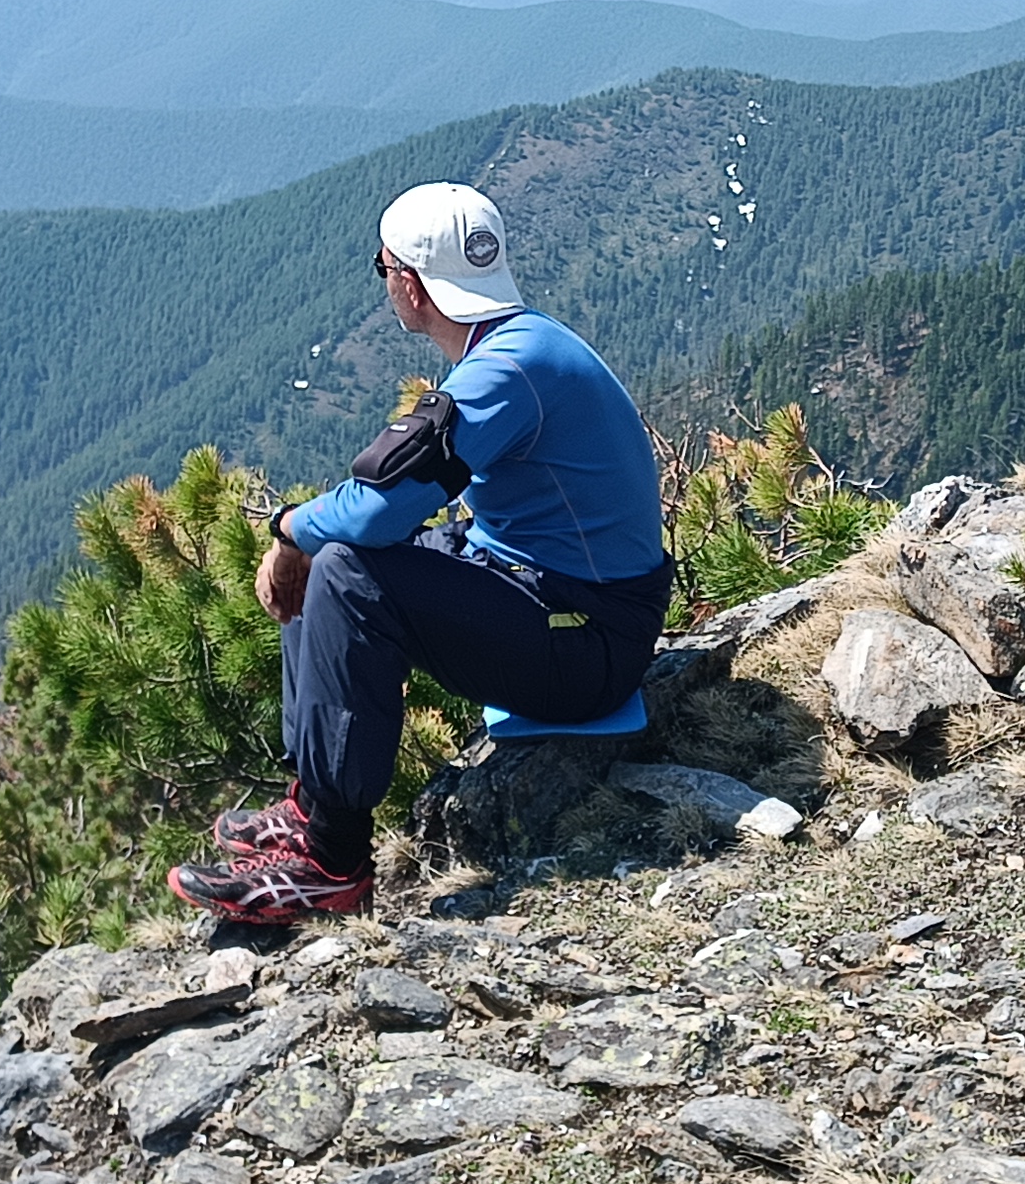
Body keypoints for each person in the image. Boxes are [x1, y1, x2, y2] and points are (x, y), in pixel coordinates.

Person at [169, 182, 673, 924]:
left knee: (343, 564)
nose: (386, 285)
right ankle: (311, 801)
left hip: (590, 644)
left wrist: (285, 531)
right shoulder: (520, 344)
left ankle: (331, 861)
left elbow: (379, 508)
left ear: (407, 282)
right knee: (340, 553)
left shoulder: (508, 371)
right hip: (558, 597)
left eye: (382, 270)